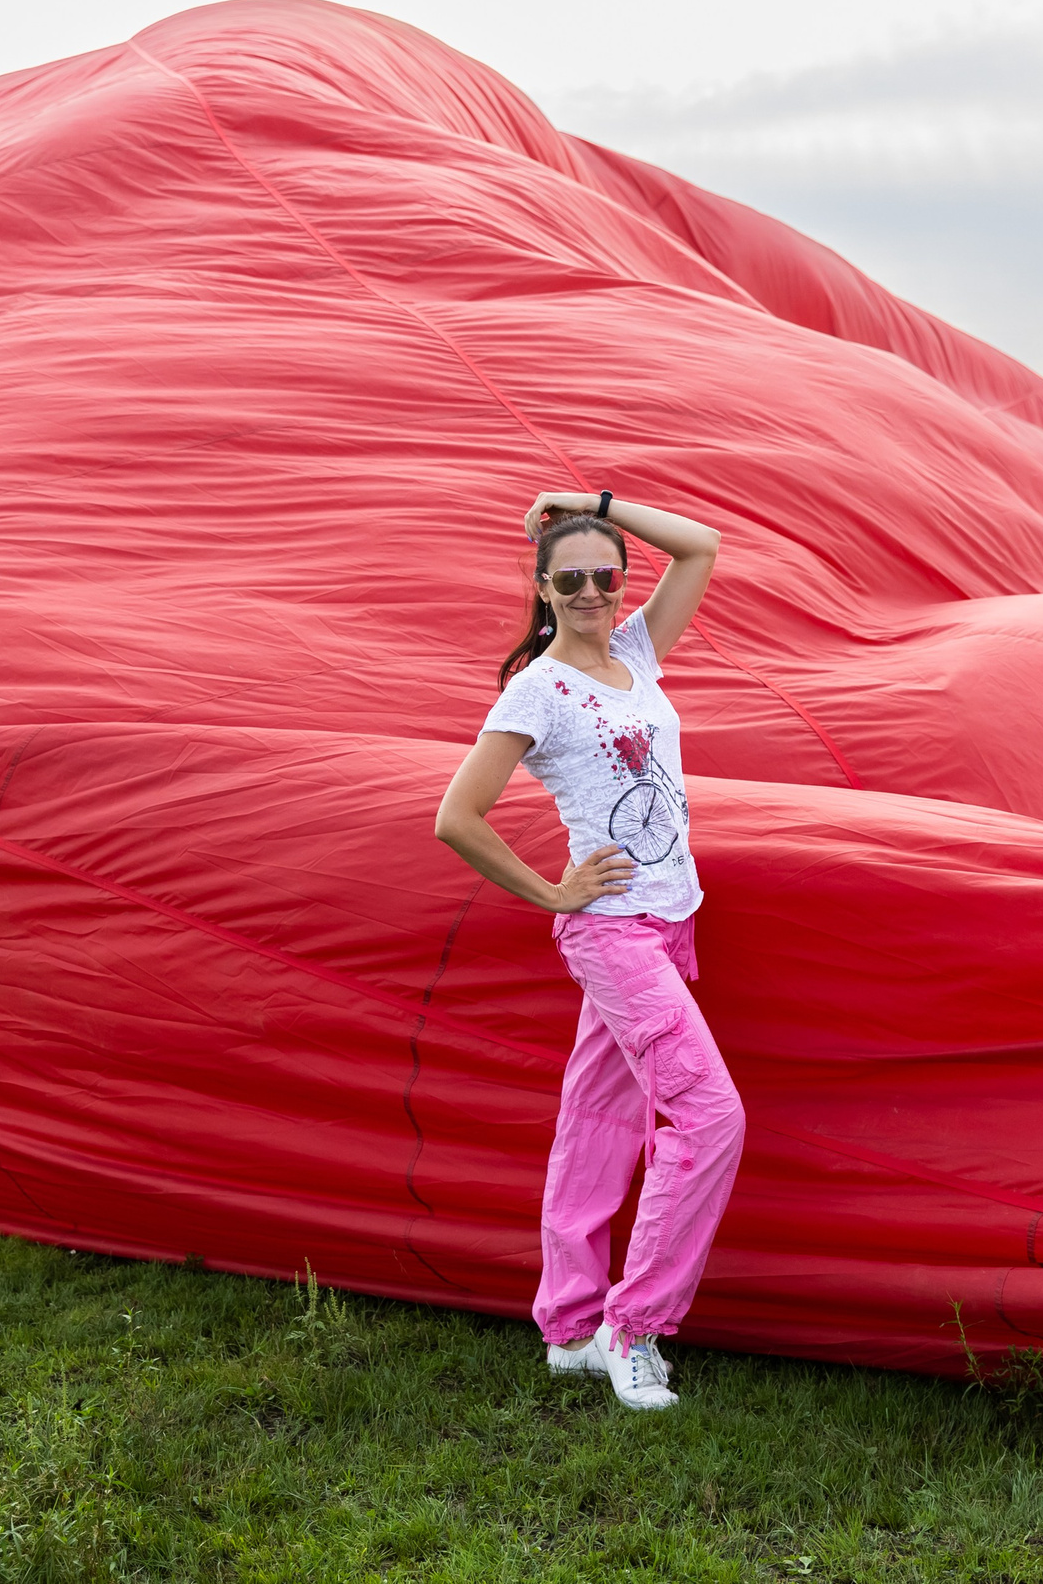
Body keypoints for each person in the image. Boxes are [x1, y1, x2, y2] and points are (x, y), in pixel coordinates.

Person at [433, 489, 743, 1411]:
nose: (589, 591)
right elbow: (457, 816)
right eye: (568, 579)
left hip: (670, 916)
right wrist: (553, 893)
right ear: (542, 588)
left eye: (603, 575)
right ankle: (634, 1325)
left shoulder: (635, 652)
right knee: (710, 1116)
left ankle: (569, 1326)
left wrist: (596, 503)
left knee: (597, 1121)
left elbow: (702, 547)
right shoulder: (538, 686)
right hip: (612, 933)